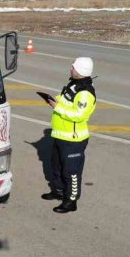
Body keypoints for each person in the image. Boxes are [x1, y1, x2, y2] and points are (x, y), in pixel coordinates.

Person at [41, 57, 97, 213]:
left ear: (80, 70)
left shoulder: (85, 93)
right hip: (60, 135)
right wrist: (54, 100)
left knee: (71, 172)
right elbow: (65, 100)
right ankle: (58, 191)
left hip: (73, 140)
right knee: (56, 167)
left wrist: (56, 107)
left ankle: (71, 202)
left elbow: (79, 115)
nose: (70, 68)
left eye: (73, 66)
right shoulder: (74, 85)